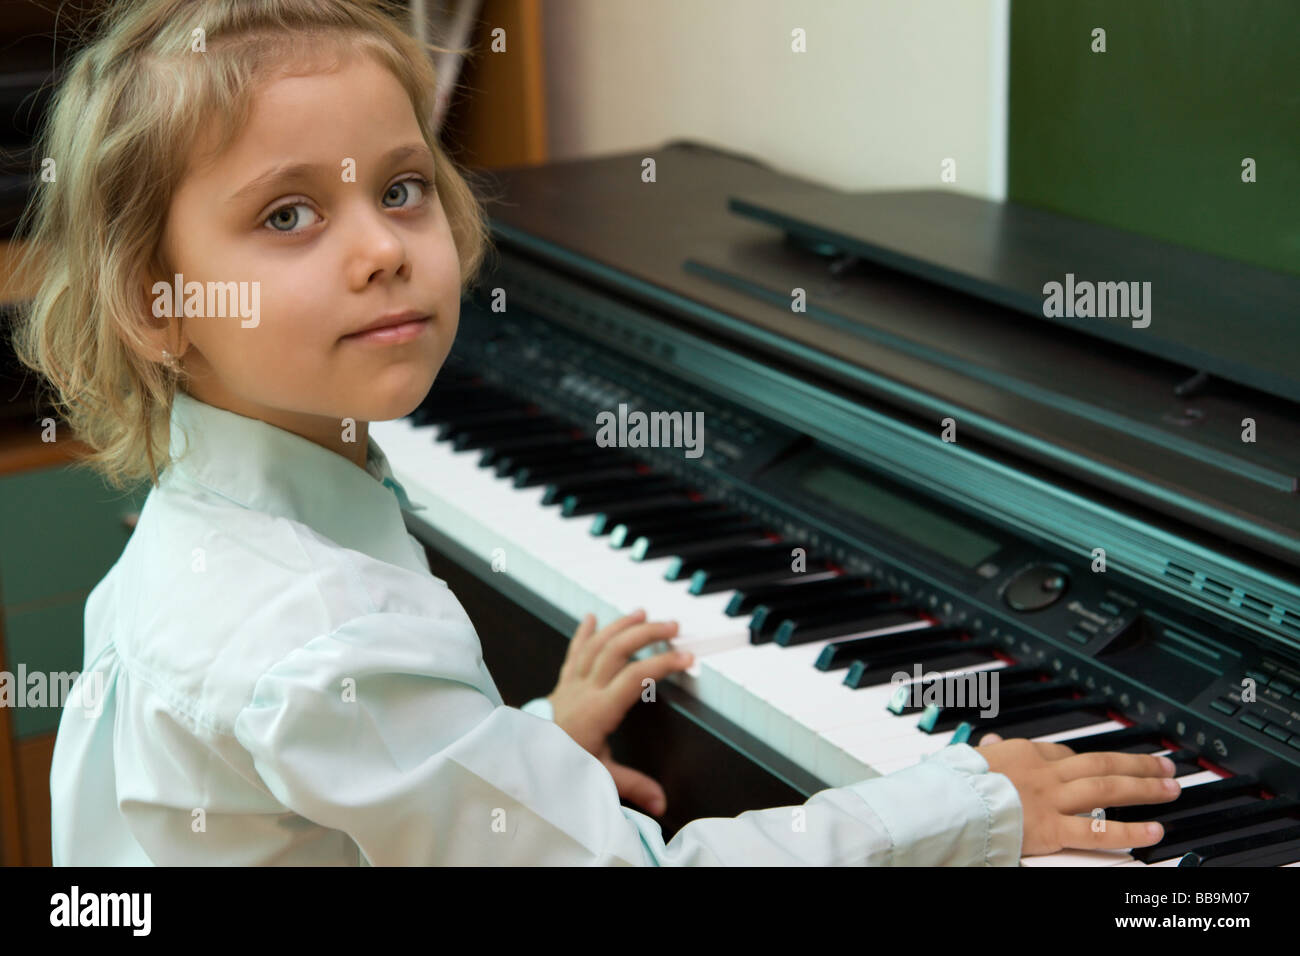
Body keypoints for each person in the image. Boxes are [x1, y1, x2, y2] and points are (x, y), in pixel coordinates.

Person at [11, 0, 1179, 865]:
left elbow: (336, 786)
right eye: (289, 212)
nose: (379, 247)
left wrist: (522, 746)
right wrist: (965, 805)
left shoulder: (201, 532)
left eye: (402, 187)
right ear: (152, 304)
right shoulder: (318, 637)